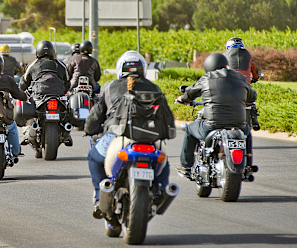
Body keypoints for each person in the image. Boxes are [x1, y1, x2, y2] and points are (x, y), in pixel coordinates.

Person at [84, 51, 172, 218]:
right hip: (149, 138)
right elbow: (166, 117)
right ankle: (161, 189)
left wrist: (88, 129)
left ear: (120, 69)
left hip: (116, 137)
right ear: (143, 69)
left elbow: (95, 117)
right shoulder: (154, 88)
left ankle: (99, 196)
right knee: (164, 160)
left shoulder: (109, 87)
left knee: (93, 158)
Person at [176, 52, 257, 177]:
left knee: (190, 129)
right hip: (238, 125)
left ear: (208, 66)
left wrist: (182, 99)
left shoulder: (207, 78)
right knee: (247, 133)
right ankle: (248, 166)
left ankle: (186, 166)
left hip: (211, 125)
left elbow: (190, 93)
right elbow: (252, 96)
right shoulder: (240, 78)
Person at [19, 40, 70, 146]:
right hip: (58, 95)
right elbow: (67, 83)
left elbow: (23, 83)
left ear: (38, 51)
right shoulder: (61, 65)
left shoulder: (33, 64)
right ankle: (66, 131)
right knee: (65, 112)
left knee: (32, 112)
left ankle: (28, 130)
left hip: (39, 94)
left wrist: (23, 89)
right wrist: (62, 92)